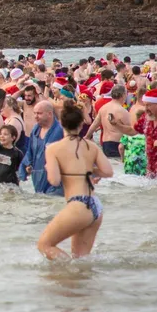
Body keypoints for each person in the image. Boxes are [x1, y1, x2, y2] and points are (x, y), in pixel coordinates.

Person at [36, 101, 114, 260]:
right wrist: (87, 170)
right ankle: (75, 275)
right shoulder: (91, 146)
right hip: (95, 205)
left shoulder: (53, 148)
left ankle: (67, 269)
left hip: (78, 204)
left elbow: (54, 180)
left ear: (61, 123)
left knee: (44, 245)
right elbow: (108, 172)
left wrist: (51, 168)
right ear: (81, 124)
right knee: (80, 259)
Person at [19, 101, 64, 195]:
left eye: (39, 113)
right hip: (38, 178)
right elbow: (30, 152)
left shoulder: (60, 131)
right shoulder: (35, 130)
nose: (35, 116)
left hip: (56, 182)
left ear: (50, 114)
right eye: (34, 113)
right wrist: (26, 166)